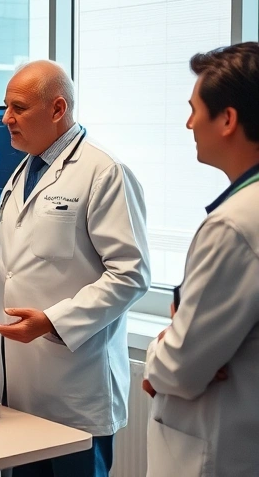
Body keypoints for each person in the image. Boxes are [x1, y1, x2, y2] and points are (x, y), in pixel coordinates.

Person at [0, 60, 150, 477]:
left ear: (57, 110)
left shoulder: (103, 172)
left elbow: (131, 273)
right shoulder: (22, 171)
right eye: (5, 107)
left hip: (76, 388)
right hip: (19, 388)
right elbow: (8, 253)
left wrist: (53, 321)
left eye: (18, 108)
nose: (5, 119)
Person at [143, 42, 259, 476]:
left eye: (194, 109)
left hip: (218, 452)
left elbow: (180, 367)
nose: (188, 123)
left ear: (227, 119)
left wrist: (161, 350)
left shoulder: (235, 225)